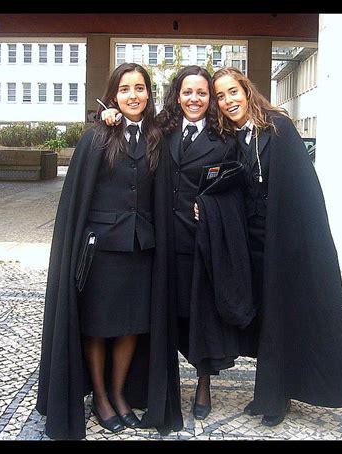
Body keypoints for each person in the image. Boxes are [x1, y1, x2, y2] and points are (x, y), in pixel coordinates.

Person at [35, 62, 182, 439]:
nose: (134, 95)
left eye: (140, 88)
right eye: (125, 89)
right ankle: (100, 397)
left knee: (133, 326)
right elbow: (78, 198)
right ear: (114, 94)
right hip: (101, 252)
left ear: (149, 93)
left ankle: (118, 394)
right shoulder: (97, 136)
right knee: (98, 328)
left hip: (141, 249)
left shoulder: (155, 137)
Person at [208, 67, 342, 426]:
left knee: (282, 316)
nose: (228, 100)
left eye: (233, 92)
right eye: (221, 96)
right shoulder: (234, 136)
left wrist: (292, 242)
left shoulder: (279, 128)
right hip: (253, 242)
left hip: (283, 241)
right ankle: (269, 391)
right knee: (266, 319)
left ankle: (277, 397)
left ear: (247, 91)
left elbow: (300, 191)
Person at [103, 65, 239, 421]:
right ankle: (157, 385)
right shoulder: (160, 131)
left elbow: (233, 191)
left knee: (202, 318)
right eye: (187, 92)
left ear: (209, 99)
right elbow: (126, 126)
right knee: (164, 318)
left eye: (202, 93)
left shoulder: (224, 140)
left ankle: (204, 383)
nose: (194, 99)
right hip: (162, 242)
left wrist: (210, 208)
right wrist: (106, 114)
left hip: (200, 244)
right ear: (177, 95)